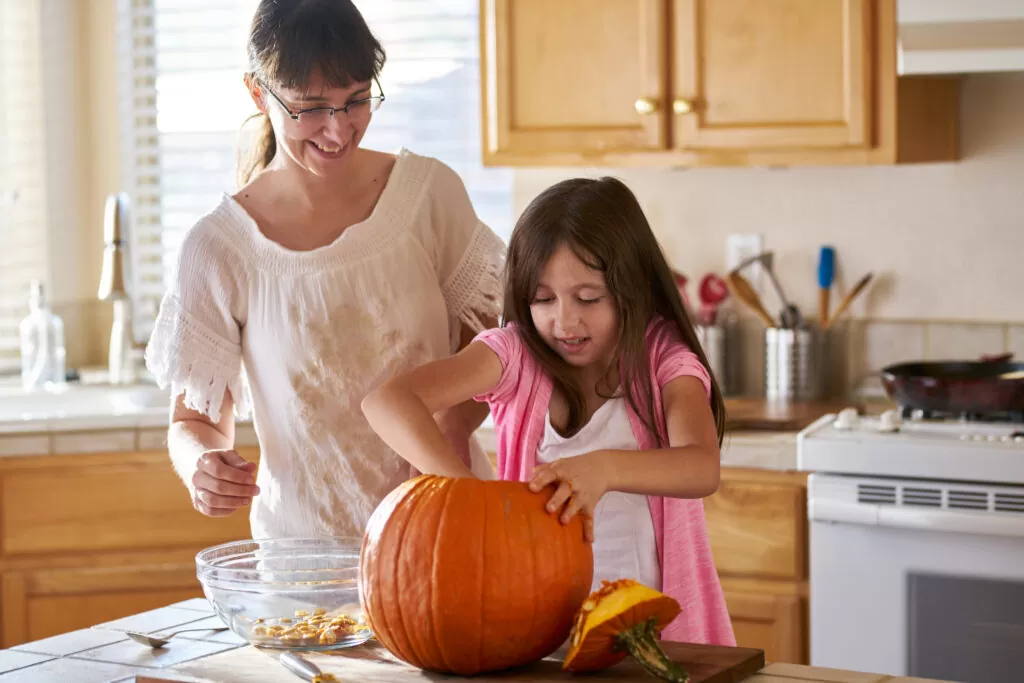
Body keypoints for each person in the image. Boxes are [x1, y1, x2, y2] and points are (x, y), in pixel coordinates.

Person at [144, 0, 504, 541]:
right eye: (311, 108)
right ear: (258, 93)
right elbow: (195, 421)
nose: (338, 131)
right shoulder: (219, 247)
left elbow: (492, 340)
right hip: (303, 558)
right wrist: (202, 465)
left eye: (356, 100)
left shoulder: (428, 195)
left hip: (444, 530)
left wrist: (449, 433)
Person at [362, 176, 735, 645]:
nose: (564, 321)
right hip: (546, 635)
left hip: (658, 637)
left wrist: (604, 469)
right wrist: (467, 494)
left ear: (631, 286)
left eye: (588, 298)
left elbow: (701, 466)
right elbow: (387, 402)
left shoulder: (662, 356)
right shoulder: (516, 355)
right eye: (543, 298)